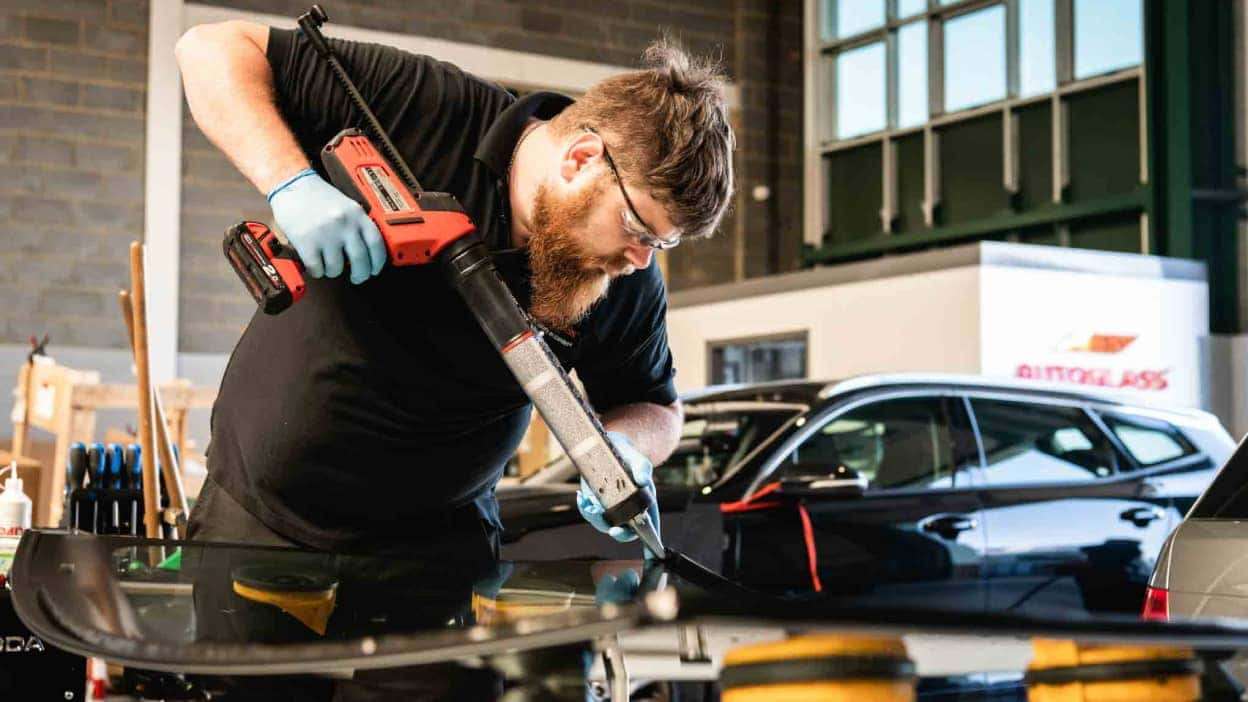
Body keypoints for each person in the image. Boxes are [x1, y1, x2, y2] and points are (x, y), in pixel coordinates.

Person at [174, 20, 735, 563]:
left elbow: (654, 406)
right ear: (581, 159)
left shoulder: (622, 276)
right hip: (265, 518)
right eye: (638, 230)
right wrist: (289, 183)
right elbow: (209, 49)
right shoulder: (427, 107)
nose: (640, 261)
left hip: (443, 546)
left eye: (660, 246)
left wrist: (626, 450)